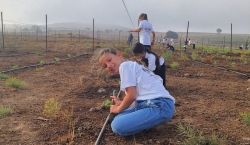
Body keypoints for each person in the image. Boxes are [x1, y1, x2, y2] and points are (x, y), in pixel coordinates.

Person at [95, 47, 175, 136]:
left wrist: (118, 108)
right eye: (105, 66)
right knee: (118, 117)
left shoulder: (124, 66)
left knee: (117, 125)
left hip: (160, 106)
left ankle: (145, 122)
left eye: (109, 60)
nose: (109, 65)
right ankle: (146, 121)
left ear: (119, 55)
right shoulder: (131, 66)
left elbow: (132, 96)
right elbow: (140, 99)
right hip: (153, 104)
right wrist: (121, 103)